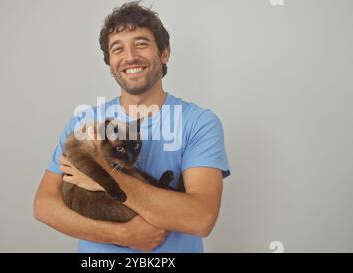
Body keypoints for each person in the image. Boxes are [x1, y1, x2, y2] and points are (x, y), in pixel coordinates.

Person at [34, 1, 231, 253]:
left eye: (141, 43)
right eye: (118, 49)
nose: (130, 56)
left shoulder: (199, 123)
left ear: (164, 53)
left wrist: (103, 174)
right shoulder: (83, 122)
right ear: (110, 63)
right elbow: (44, 206)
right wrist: (123, 235)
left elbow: (201, 219)